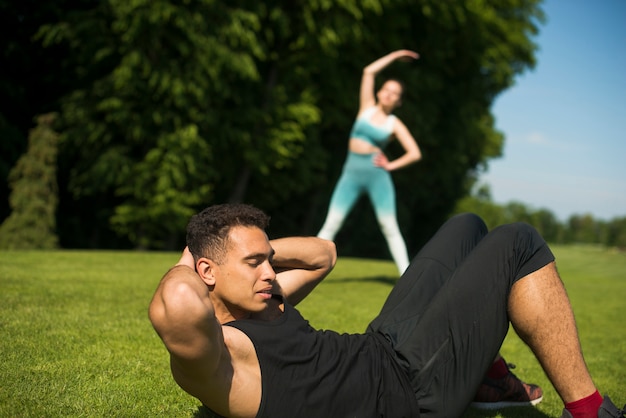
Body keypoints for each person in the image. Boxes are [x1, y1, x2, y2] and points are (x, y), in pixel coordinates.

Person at [149, 203, 625, 418]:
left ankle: (485, 373)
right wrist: (192, 256)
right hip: (411, 390)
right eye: (254, 264)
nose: (270, 272)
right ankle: (590, 412)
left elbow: (324, 253)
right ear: (206, 271)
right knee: (516, 241)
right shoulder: (220, 356)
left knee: (467, 226)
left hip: (385, 345)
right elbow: (176, 303)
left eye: (268, 261)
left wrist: (253, 250)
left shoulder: (263, 298)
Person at [317, 50, 422, 275]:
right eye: (386, 89)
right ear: (379, 91)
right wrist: (396, 56)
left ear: (399, 101)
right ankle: (306, 266)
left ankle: (408, 277)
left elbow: (414, 153)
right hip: (351, 173)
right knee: (332, 222)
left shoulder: (394, 123)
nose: (388, 94)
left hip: (376, 175)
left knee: (389, 227)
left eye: (394, 93)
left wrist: (391, 165)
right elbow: (369, 71)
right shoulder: (366, 108)